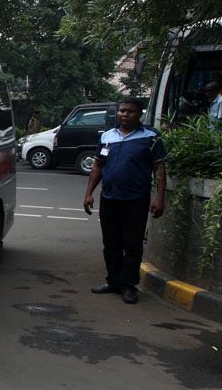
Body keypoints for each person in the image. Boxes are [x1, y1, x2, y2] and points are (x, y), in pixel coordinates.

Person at [83, 97, 167, 305]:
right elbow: (97, 167)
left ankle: (129, 286)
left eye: (130, 111)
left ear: (139, 114)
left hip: (136, 200)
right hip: (109, 198)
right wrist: (89, 193)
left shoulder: (151, 137)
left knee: (132, 245)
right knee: (110, 243)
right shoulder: (107, 136)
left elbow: (160, 169)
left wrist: (160, 199)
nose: (125, 114)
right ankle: (113, 281)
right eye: (122, 111)